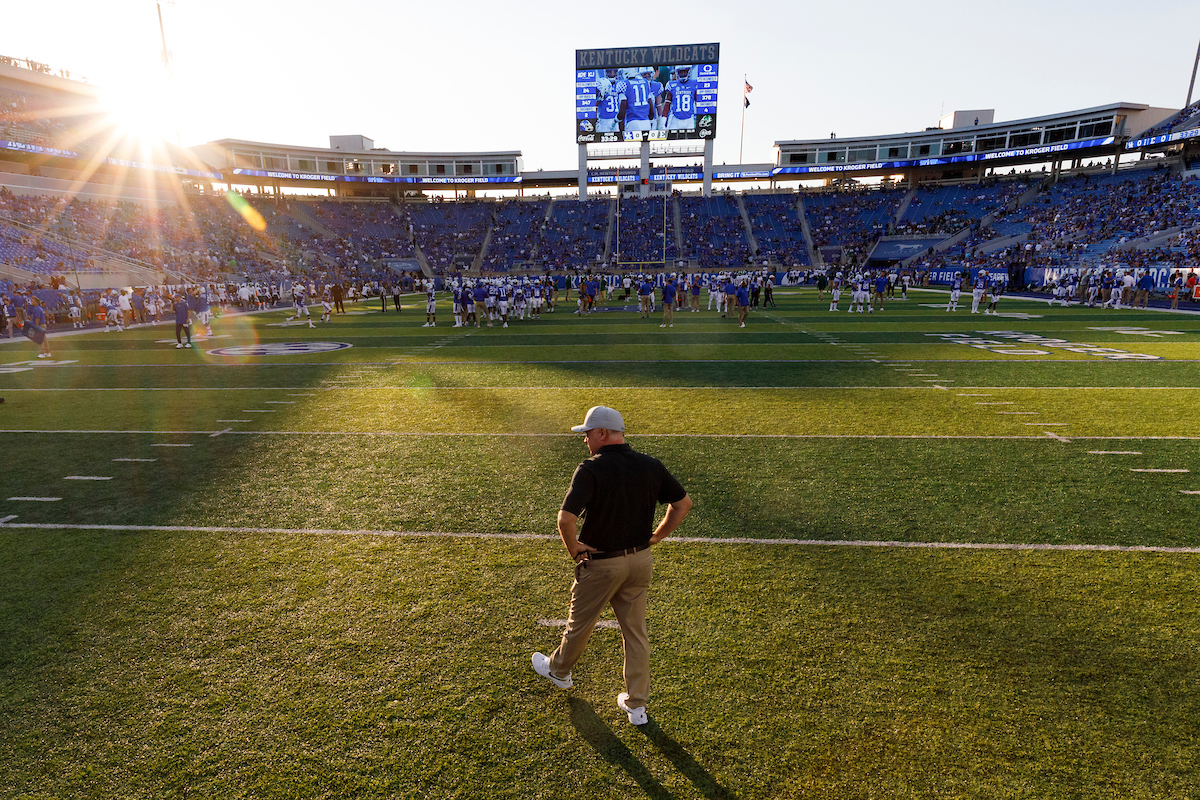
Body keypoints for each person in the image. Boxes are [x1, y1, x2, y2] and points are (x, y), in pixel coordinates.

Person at [531, 405, 692, 726]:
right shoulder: (651, 464)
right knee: (636, 634)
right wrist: (656, 537)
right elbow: (682, 505)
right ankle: (637, 706)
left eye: (588, 434)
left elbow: (565, 518)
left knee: (580, 624)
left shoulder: (590, 469)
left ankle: (560, 671)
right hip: (639, 561)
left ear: (602, 433)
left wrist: (574, 548)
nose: (585, 440)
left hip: (603, 564)